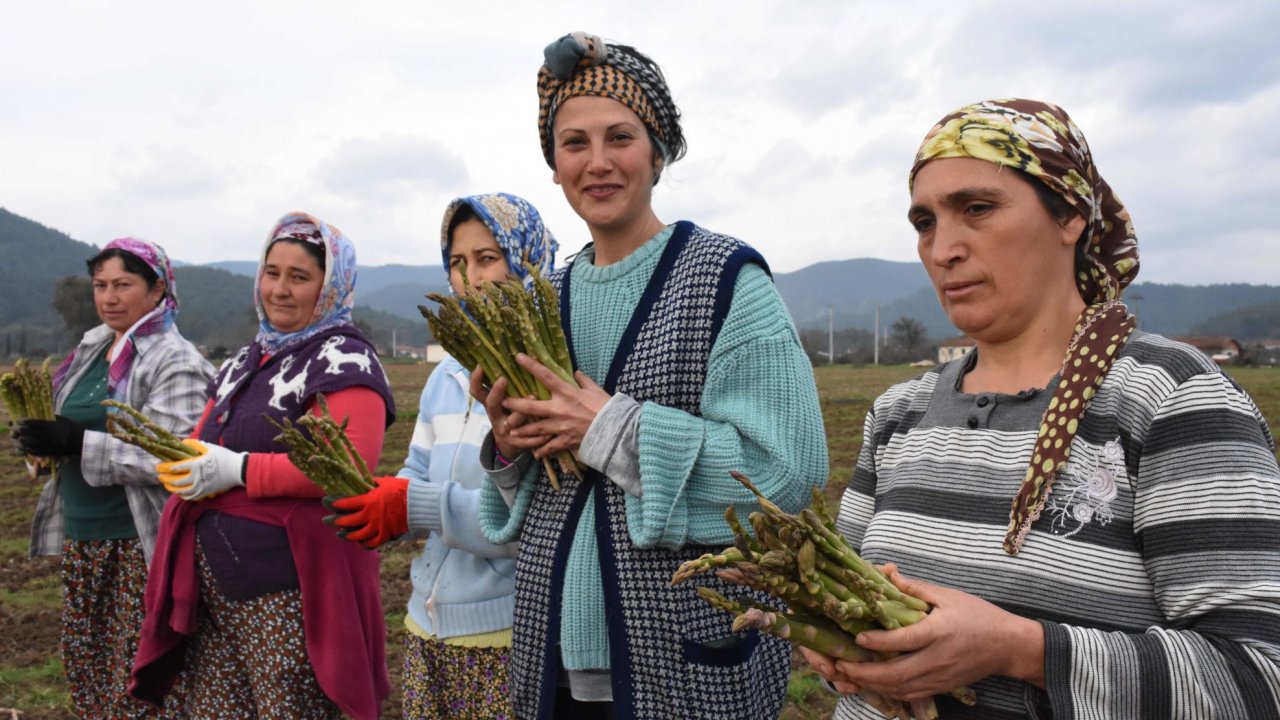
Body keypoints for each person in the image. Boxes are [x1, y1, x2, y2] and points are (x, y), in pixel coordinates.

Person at [800, 98, 1280, 719]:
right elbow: (841, 596)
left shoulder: (1170, 398)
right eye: (925, 222)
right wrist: (838, 647)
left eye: (977, 208)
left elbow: (1259, 676)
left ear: (1070, 216)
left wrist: (1021, 650)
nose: (944, 248)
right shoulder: (899, 413)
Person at [473, 32, 829, 719]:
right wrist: (512, 445)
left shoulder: (725, 280)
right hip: (554, 664)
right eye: (574, 143)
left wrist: (610, 428)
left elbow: (785, 474)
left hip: (683, 664)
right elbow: (537, 499)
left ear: (658, 150)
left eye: (621, 137)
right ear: (553, 163)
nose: (598, 162)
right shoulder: (545, 297)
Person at [128, 213, 395, 720]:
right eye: (272, 273)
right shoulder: (248, 359)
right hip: (215, 589)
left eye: (299, 277)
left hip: (287, 592)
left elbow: (347, 464)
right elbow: (204, 435)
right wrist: (186, 460)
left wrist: (238, 470)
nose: (280, 289)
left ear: (330, 286)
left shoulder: (345, 359)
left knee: (287, 707)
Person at [326, 192, 558, 720]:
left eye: (487, 258)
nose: (470, 279)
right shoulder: (445, 376)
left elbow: (532, 526)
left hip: (508, 634)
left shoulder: (546, 377)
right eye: (457, 263)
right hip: (426, 622)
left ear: (527, 262)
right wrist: (384, 503)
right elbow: (417, 470)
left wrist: (415, 506)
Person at [16, 237, 212, 719]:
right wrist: (44, 447)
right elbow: (68, 425)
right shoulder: (92, 347)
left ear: (158, 288)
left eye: (123, 284)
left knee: (137, 681)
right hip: (85, 541)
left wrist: (76, 442)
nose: (109, 297)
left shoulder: (175, 359)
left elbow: (172, 454)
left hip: (137, 543)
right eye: (100, 285)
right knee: (90, 673)